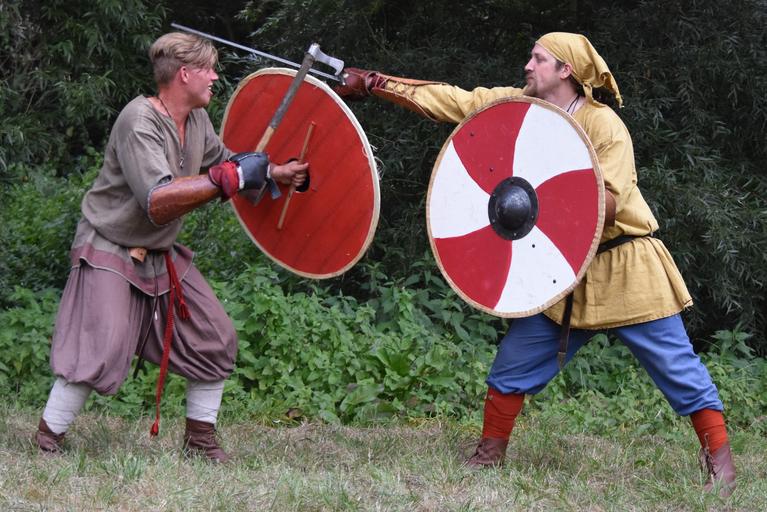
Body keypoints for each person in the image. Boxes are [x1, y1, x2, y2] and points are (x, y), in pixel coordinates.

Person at [334, 32, 736, 496]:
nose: (528, 65)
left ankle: (720, 464)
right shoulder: (517, 105)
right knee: (513, 364)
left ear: (566, 70)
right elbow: (454, 101)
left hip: (623, 263)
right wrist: (376, 83)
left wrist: (547, 194)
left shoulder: (604, 125)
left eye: (539, 59)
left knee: (676, 365)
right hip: (558, 270)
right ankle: (489, 455)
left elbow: (607, 202)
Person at [33, 32, 307, 463]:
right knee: (99, 345)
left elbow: (225, 165)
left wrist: (273, 173)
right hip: (110, 247)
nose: (215, 77)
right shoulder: (138, 120)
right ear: (184, 74)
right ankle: (47, 439)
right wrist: (230, 178)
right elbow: (158, 200)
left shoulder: (197, 121)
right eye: (208, 70)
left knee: (215, 337)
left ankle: (199, 441)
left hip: (159, 255)